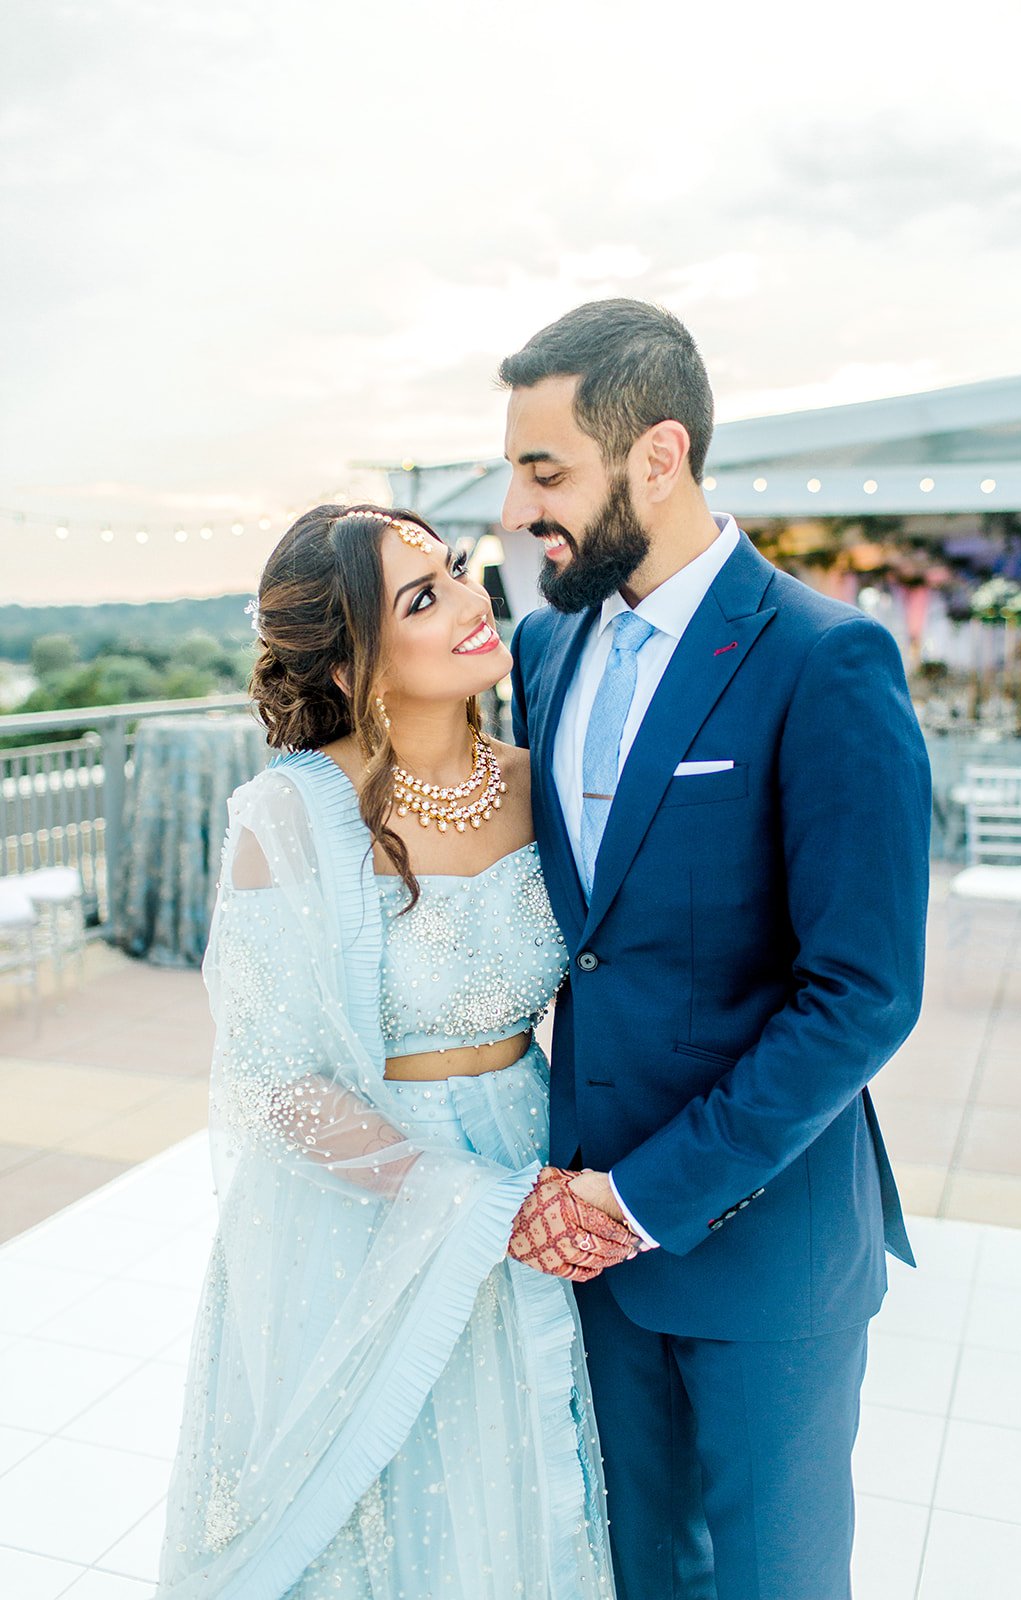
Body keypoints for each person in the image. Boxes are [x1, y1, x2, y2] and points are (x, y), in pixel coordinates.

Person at [499, 299, 932, 1600]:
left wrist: (639, 1200)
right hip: (584, 1255)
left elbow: (859, 995)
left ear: (657, 455)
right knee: (634, 1575)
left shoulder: (824, 659)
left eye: (545, 472)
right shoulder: (539, 647)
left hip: (757, 1251)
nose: (522, 513)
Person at [157, 504, 636, 1599]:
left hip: (539, 1162)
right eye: (422, 598)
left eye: (458, 573)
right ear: (353, 659)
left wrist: (564, 1194)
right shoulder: (286, 816)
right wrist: (466, 1203)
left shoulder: (542, 784)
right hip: (369, 1202)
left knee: (529, 1488)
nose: (473, 604)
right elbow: (276, 1077)